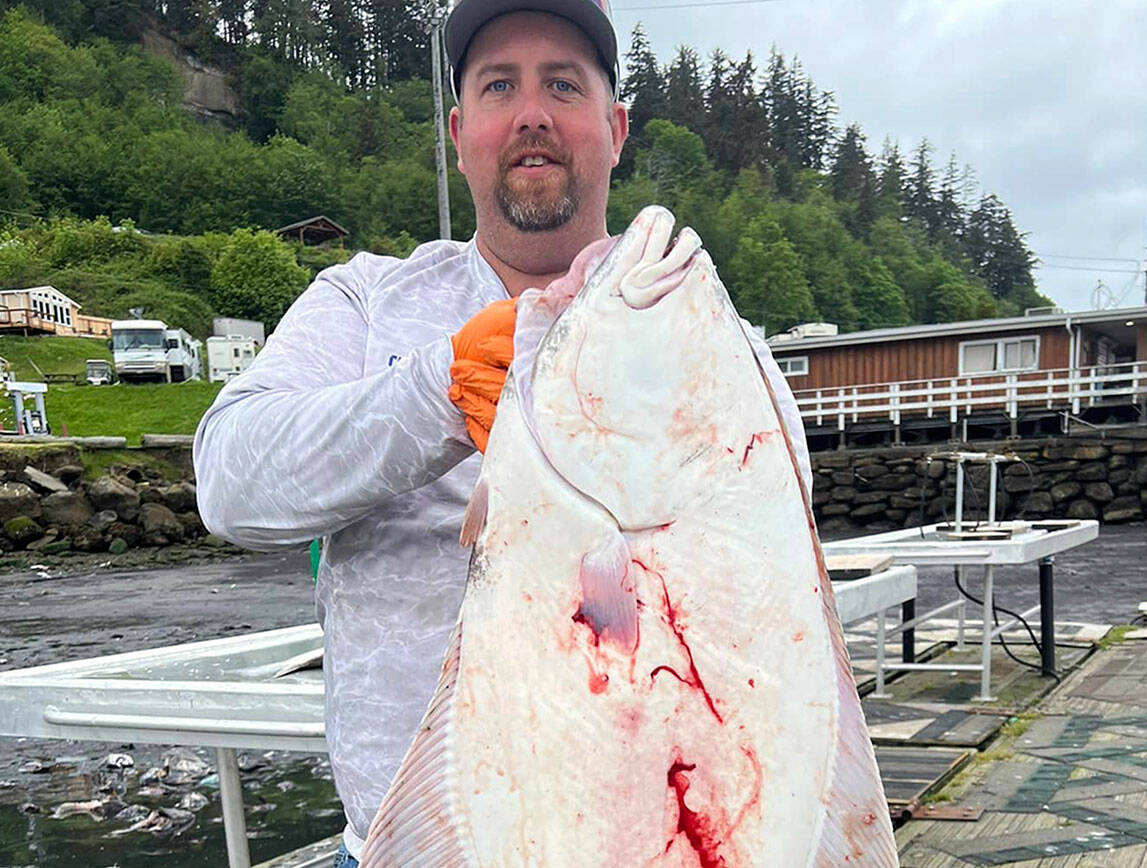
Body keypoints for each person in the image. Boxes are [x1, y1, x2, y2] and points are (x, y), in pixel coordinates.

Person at [193, 1, 810, 864]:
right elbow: (229, 484)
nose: (531, 114)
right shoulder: (365, 302)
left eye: (563, 84)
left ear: (615, 128)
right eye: (497, 86)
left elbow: (781, 595)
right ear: (459, 133)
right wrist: (434, 392)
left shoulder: (712, 340)